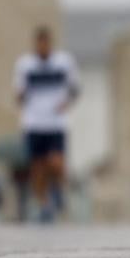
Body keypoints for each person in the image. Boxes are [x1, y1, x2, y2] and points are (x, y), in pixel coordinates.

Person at [12, 26, 80, 223]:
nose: (43, 47)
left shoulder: (64, 62)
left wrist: (66, 103)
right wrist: (22, 97)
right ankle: (44, 204)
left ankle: (58, 189)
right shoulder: (25, 65)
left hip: (55, 122)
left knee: (56, 162)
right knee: (37, 167)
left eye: (46, 43)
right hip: (34, 123)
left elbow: (75, 88)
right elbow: (18, 93)